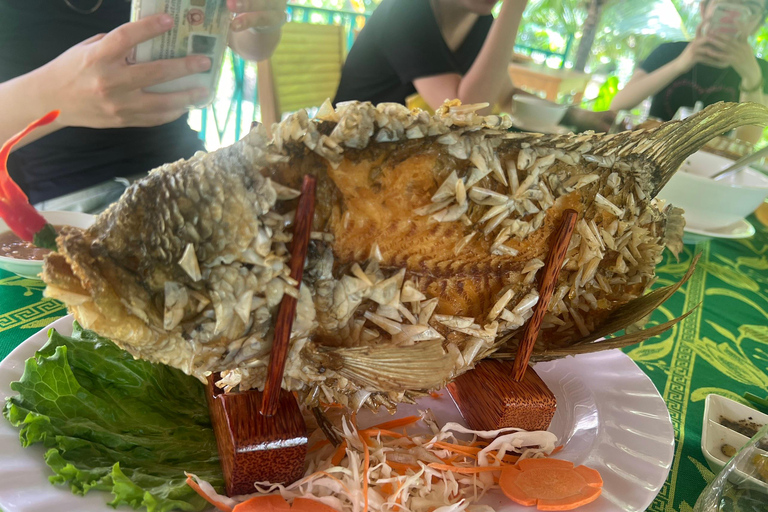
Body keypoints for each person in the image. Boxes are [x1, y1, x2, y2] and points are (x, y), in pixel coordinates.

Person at [0, 0, 286, 212]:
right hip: (73, 197)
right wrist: (55, 96)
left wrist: (261, 16)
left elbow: (250, 43)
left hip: (188, 167)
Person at [333, 0, 615, 132]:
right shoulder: (406, 11)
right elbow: (462, 110)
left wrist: (577, 117)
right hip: (349, 150)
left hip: (404, 150)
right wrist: (514, 8)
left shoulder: (481, 24)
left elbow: (505, 96)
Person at [612, 0, 768, 143]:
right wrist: (681, 63)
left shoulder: (761, 70)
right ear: (704, 8)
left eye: (751, 9)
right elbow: (618, 105)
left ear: (757, 24)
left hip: (710, 166)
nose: (735, 17)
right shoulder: (669, 52)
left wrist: (752, 77)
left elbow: (747, 141)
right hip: (651, 150)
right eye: (726, 6)